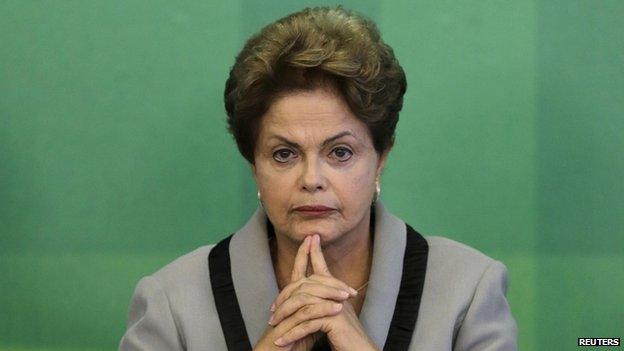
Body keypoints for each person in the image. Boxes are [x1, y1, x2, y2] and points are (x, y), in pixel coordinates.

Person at [119, 6, 517, 351]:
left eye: (340, 153)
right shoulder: (171, 302)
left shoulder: (468, 290)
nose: (311, 179)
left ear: (381, 158)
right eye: (284, 154)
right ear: (253, 164)